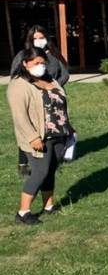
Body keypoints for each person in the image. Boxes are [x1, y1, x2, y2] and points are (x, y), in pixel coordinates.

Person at [7, 47, 74, 225]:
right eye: (36, 63)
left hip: (59, 133)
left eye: (43, 63)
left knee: (50, 170)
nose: (40, 66)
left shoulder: (50, 79)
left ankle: (48, 206)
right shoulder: (19, 84)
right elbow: (19, 115)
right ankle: (23, 212)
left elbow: (61, 105)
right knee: (40, 171)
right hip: (38, 137)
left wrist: (69, 127)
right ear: (25, 63)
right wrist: (32, 137)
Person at [10, 25, 69, 179]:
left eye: (41, 38)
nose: (38, 41)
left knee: (51, 131)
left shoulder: (54, 55)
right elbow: (15, 76)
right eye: (35, 38)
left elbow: (65, 74)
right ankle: (24, 162)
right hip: (32, 99)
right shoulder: (23, 55)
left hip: (52, 100)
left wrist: (54, 87)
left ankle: (52, 160)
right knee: (29, 129)